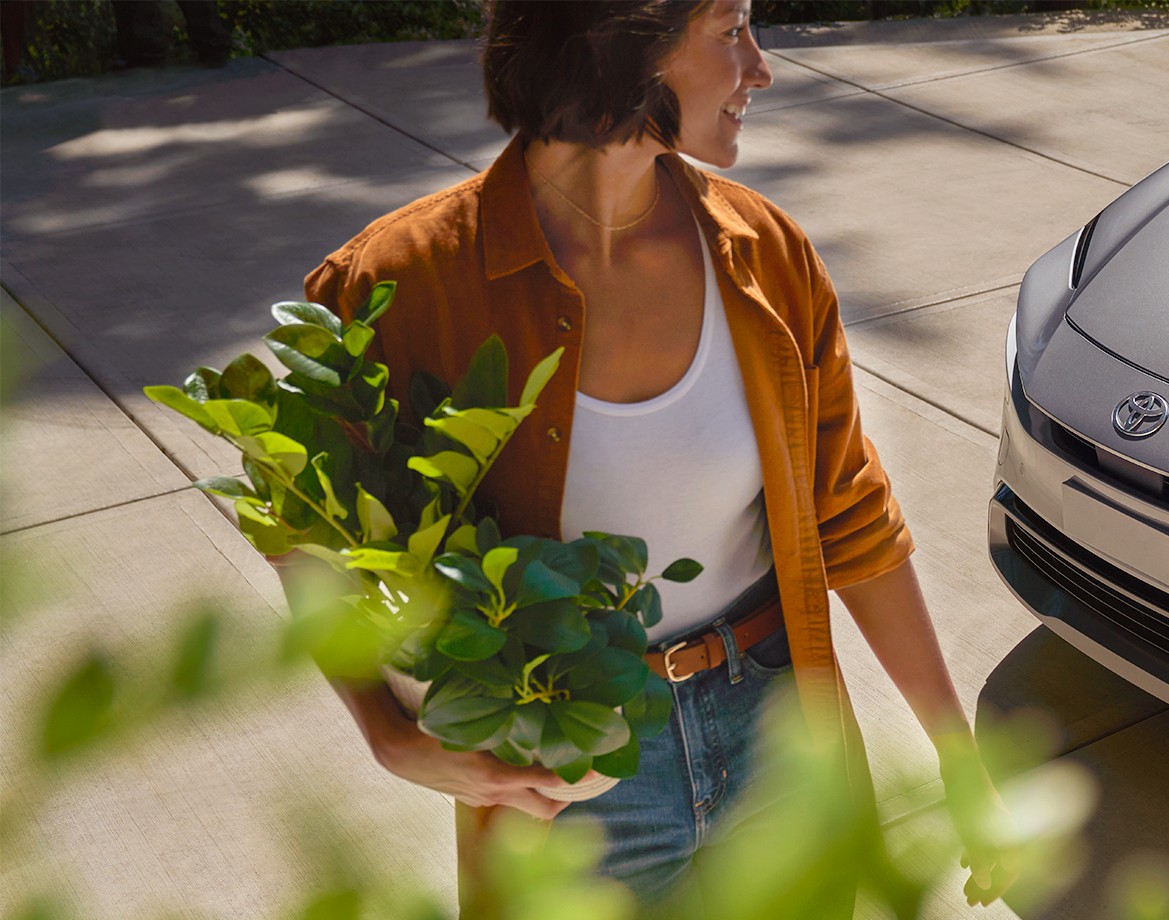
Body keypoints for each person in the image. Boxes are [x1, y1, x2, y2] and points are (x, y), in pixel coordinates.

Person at [292, 0, 1012, 910]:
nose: (761, 68)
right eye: (730, 29)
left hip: (776, 735)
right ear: (619, 42)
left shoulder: (769, 255)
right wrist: (383, 732)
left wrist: (961, 765)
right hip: (563, 780)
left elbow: (852, 515)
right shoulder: (397, 284)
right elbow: (305, 523)